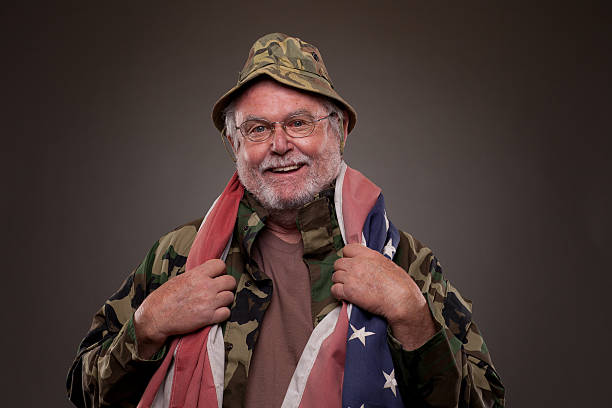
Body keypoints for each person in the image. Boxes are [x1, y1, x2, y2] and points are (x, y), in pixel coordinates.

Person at [67, 33, 505, 408]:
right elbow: (84, 392)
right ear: (233, 143)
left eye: (299, 122)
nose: (279, 145)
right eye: (257, 128)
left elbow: (486, 401)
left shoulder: (402, 260)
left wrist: (415, 321)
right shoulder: (179, 255)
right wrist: (146, 329)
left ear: (340, 130)